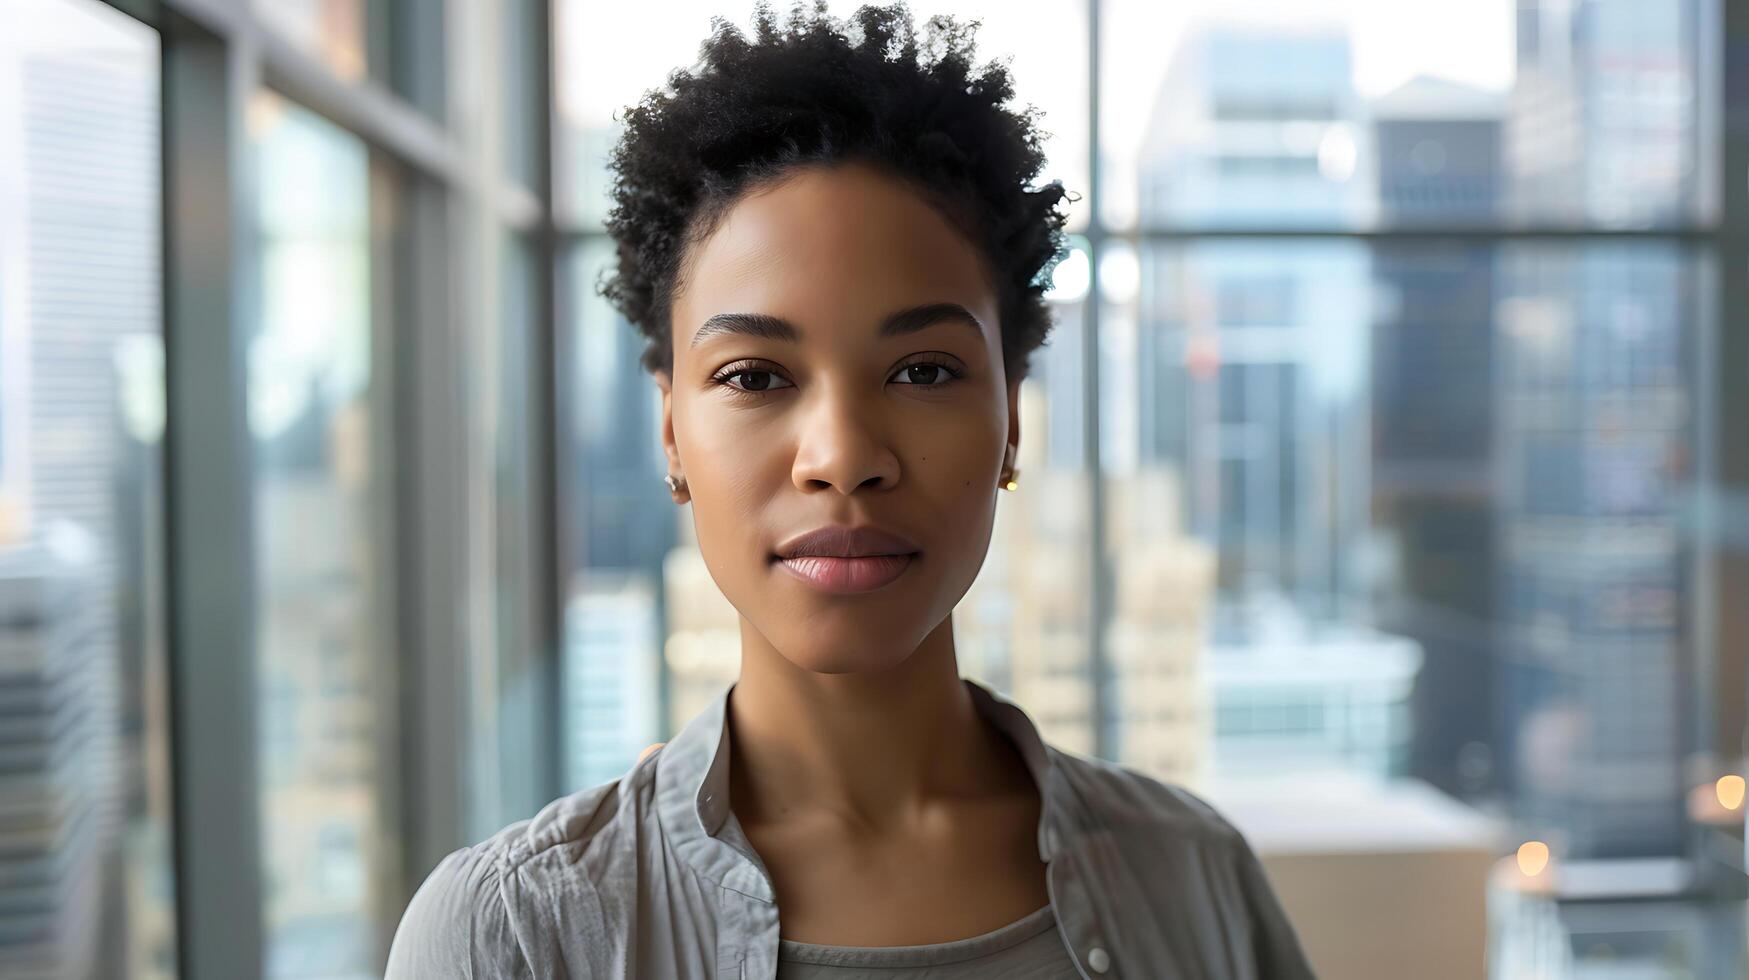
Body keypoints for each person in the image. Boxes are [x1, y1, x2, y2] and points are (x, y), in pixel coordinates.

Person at [386, 2, 1317, 977]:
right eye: (753, 375)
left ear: (1011, 418)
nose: (841, 455)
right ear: (671, 430)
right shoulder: (515, 936)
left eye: (923, 370)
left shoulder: (1195, 876)